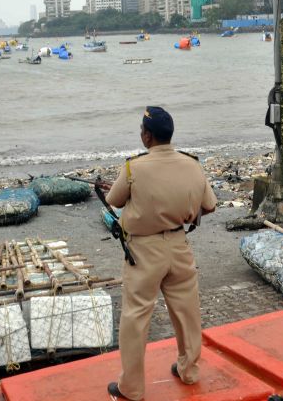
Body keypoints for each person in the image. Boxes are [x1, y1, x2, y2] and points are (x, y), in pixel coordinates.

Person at [102, 106, 218, 401]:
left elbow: (114, 200)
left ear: (147, 136)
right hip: (179, 245)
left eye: (142, 131)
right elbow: (210, 205)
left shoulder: (133, 168)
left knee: (136, 316)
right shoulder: (192, 165)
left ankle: (131, 388)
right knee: (187, 312)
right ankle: (189, 370)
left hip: (144, 251)